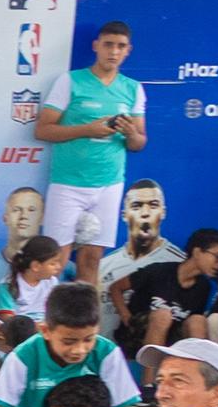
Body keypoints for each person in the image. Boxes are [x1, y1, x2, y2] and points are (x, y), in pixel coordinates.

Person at [36, 19, 145, 253]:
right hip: (68, 183)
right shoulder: (70, 81)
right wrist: (87, 130)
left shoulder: (133, 88)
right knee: (54, 258)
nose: (114, 52)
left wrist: (130, 133)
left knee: (93, 257)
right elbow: (43, 130)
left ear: (128, 50)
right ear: (96, 46)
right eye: (108, 45)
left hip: (109, 185)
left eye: (120, 46)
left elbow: (139, 143)